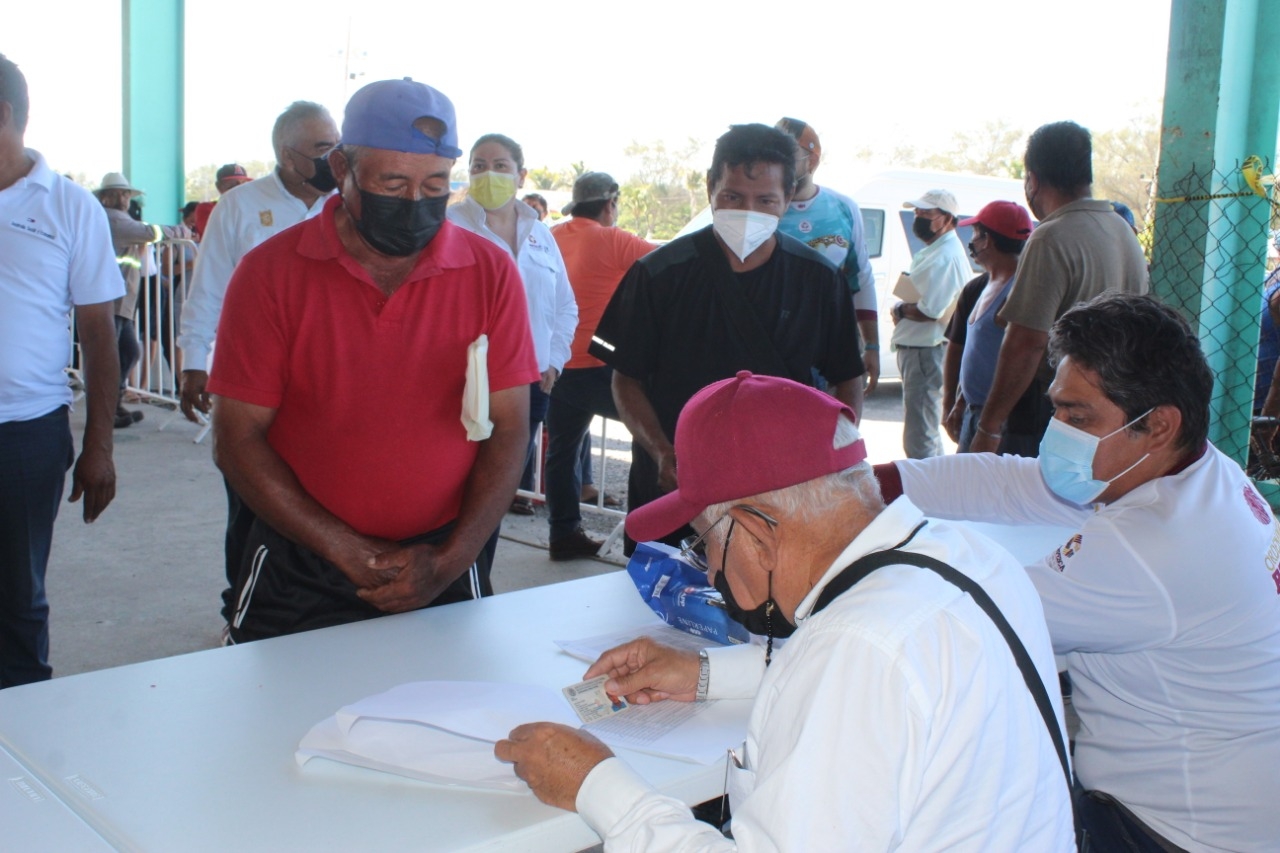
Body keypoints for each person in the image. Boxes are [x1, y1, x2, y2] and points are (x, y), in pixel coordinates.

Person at [495, 371, 1074, 851]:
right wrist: (700, 673)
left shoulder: (855, 648)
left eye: (703, 541)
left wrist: (597, 784)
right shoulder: (971, 558)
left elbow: (859, 673)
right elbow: (904, 690)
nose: (710, 567)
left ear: (754, 532)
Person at [877, 293, 1280, 852]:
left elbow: (966, 622)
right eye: (1058, 409)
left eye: (1078, 417)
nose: (1058, 431)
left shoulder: (1152, 548)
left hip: (1167, 832)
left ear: (1158, 424)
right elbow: (1011, 484)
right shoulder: (1199, 471)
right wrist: (868, 485)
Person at [207, 78, 538, 642]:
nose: (415, 203)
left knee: (450, 720)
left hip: (444, 560)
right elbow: (237, 439)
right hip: (301, 559)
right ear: (341, 169)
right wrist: (345, 548)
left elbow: (510, 429)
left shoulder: (490, 272)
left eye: (435, 184)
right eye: (393, 183)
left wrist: (453, 557)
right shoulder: (270, 274)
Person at [590, 123, 864, 552]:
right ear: (709, 189)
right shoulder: (658, 274)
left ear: (788, 199)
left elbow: (848, 378)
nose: (748, 211)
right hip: (675, 490)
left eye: (766, 200)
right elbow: (626, 379)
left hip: (779, 492)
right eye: (733, 197)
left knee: (773, 608)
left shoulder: (820, 281)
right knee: (660, 608)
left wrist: (829, 459)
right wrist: (663, 452)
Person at [177, 101, 339, 631]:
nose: (333, 159)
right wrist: (193, 362)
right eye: (321, 149)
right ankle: (241, 606)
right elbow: (209, 288)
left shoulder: (350, 206)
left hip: (329, 384)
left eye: (337, 146)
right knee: (251, 494)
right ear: (286, 155)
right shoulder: (241, 207)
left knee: (324, 496)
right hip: (254, 385)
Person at [0, 53, 121, 686]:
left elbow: (100, 336)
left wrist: (99, 447)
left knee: (17, 599)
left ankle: (16, 749)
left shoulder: (69, 207)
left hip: (25, 435)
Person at [970, 121, 1148, 454]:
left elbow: (1026, 344)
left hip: (1053, 411)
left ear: (1033, 180)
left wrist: (989, 428)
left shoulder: (1051, 236)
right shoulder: (1123, 231)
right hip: (1110, 411)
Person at [447, 134, 577, 518]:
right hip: (462, 383)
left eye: (500, 166)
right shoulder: (448, 227)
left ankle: (478, 573)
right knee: (453, 494)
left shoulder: (540, 234)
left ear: (521, 175)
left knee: (495, 495)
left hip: (530, 384)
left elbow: (565, 305)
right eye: (479, 166)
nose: (489, 174)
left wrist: (554, 360)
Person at [545, 171, 656, 559]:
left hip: (556, 365)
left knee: (561, 450)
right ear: (610, 205)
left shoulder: (553, 236)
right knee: (650, 435)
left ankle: (562, 534)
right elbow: (671, 263)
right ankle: (644, 540)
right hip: (599, 365)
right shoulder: (613, 238)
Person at [775, 117, 880, 391]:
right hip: (776, 343)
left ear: (812, 161)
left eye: (788, 153)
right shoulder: (763, 207)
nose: (778, 160)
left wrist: (872, 345)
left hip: (833, 342)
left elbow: (861, 278)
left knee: (834, 428)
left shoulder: (843, 207)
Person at [941, 200, 1044, 455]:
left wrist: (991, 424)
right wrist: (958, 400)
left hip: (1006, 423)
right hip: (975, 413)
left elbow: (1026, 351)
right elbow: (961, 349)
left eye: (976, 234)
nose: (972, 241)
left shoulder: (1023, 290)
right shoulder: (978, 287)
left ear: (987, 240)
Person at [94, 172, 186, 428]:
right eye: (121, 193)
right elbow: (152, 232)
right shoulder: (114, 220)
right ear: (107, 196)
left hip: (118, 300)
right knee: (114, 356)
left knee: (127, 352)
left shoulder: (114, 219)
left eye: (126, 193)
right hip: (110, 301)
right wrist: (182, 230)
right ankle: (105, 411)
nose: (125, 198)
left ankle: (113, 405)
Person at [890, 189, 970, 458]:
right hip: (919, 348)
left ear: (947, 219)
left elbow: (930, 310)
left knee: (919, 435)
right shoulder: (937, 250)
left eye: (926, 213)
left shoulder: (946, 256)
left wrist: (901, 309)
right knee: (923, 429)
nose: (918, 217)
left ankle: (922, 494)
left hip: (925, 349)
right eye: (917, 212)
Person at [192, 163, 253, 236]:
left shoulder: (250, 207)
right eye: (233, 184)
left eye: (243, 184)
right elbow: (218, 235)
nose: (239, 188)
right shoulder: (206, 208)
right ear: (219, 186)